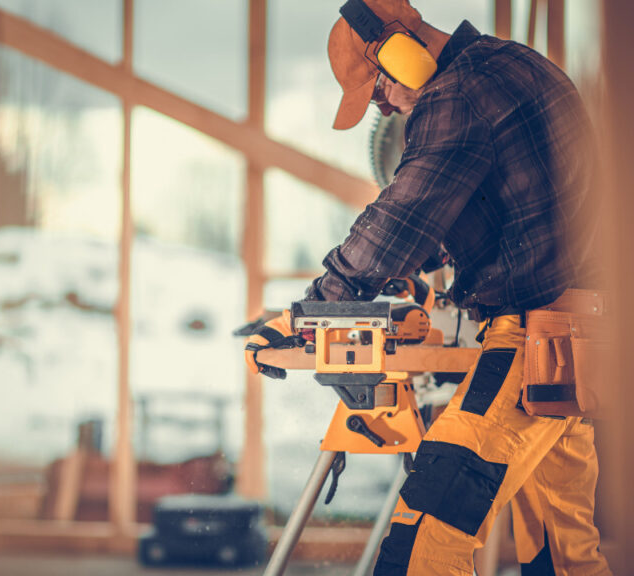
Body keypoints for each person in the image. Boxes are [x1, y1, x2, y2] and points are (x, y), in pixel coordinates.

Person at [244, 0, 611, 574]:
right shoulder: (510, 64)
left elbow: (402, 215)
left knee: (423, 541)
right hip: (578, 337)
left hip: (537, 342)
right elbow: (505, 204)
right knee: (565, 557)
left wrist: (317, 307)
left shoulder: (455, 97)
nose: (385, 105)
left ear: (400, 49)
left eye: (379, 89)